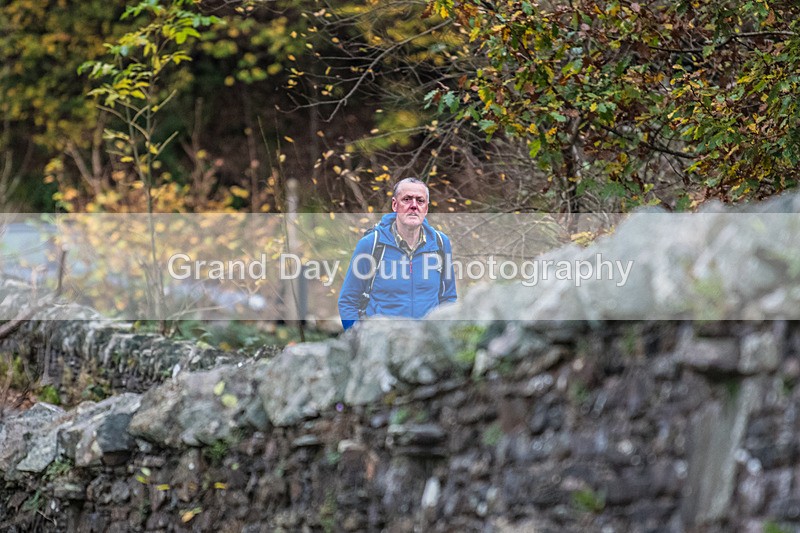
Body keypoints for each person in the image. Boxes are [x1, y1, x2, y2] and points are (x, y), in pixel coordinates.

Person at [338, 178, 457, 330]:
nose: (414, 206)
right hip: (382, 344)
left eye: (420, 201)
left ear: (426, 208)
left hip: (427, 344)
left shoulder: (440, 243)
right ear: (395, 205)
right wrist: (358, 342)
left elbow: (449, 298)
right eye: (406, 199)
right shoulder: (371, 244)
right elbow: (348, 301)